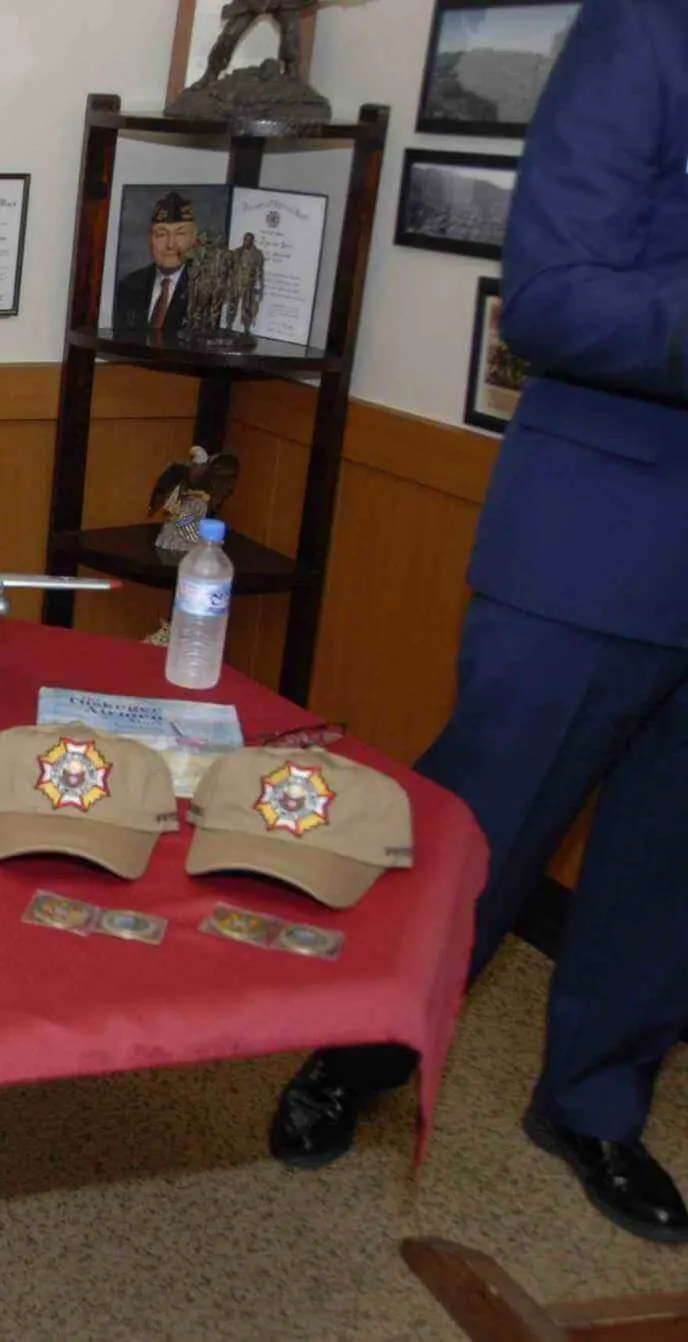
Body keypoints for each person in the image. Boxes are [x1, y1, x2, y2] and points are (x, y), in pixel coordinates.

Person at [268, 0, 688, 1245]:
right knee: (476, 837)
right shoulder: (645, 30)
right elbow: (551, 303)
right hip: (596, 538)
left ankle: (593, 1104)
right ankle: (349, 1053)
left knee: (668, 871)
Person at [112, 192, 199, 335]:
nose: (171, 245)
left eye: (180, 234)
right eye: (161, 234)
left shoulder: (204, 290)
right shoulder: (129, 285)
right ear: (149, 239)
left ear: (194, 240)